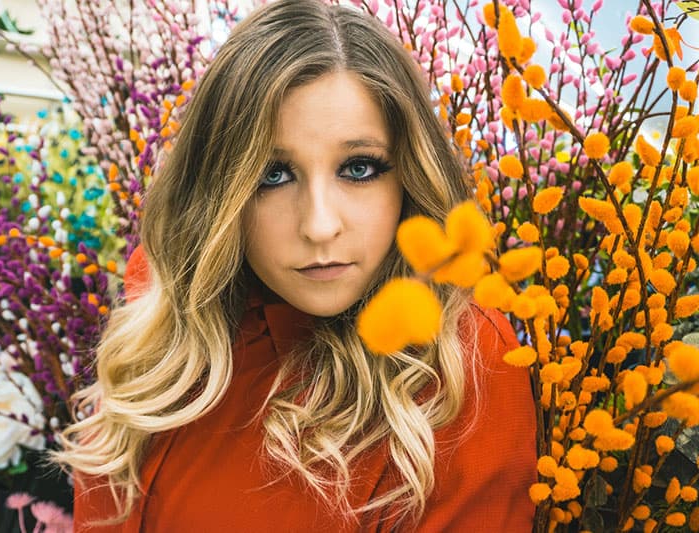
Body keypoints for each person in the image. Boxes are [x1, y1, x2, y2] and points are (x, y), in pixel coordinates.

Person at [54, 0, 538, 530]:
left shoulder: (463, 361)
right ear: (220, 188)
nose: (320, 225)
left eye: (359, 168)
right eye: (272, 174)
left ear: (410, 177)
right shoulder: (165, 300)